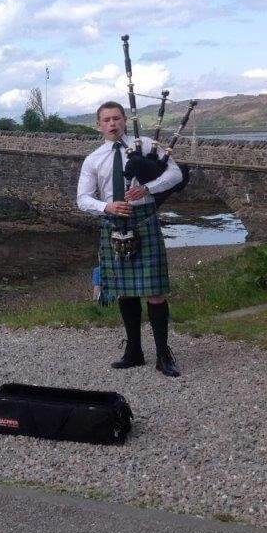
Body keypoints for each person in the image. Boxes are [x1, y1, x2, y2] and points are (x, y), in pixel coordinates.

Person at [76, 101, 183, 377]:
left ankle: (163, 355)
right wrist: (106, 207)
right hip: (114, 222)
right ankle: (134, 351)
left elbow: (175, 174)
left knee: (155, 291)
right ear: (98, 125)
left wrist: (149, 187)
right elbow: (82, 199)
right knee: (124, 289)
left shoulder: (145, 146)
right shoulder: (93, 159)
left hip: (144, 218)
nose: (112, 124)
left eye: (117, 118)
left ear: (125, 120)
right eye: (106, 120)